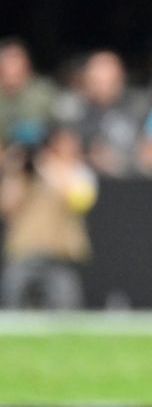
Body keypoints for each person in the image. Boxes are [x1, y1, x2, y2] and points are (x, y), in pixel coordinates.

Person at [0, 126, 95, 310]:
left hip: (60, 255)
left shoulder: (80, 173)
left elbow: (80, 201)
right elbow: (8, 207)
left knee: (66, 307)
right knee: (12, 305)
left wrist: (51, 168)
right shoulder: (28, 175)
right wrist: (16, 171)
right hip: (24, 252)